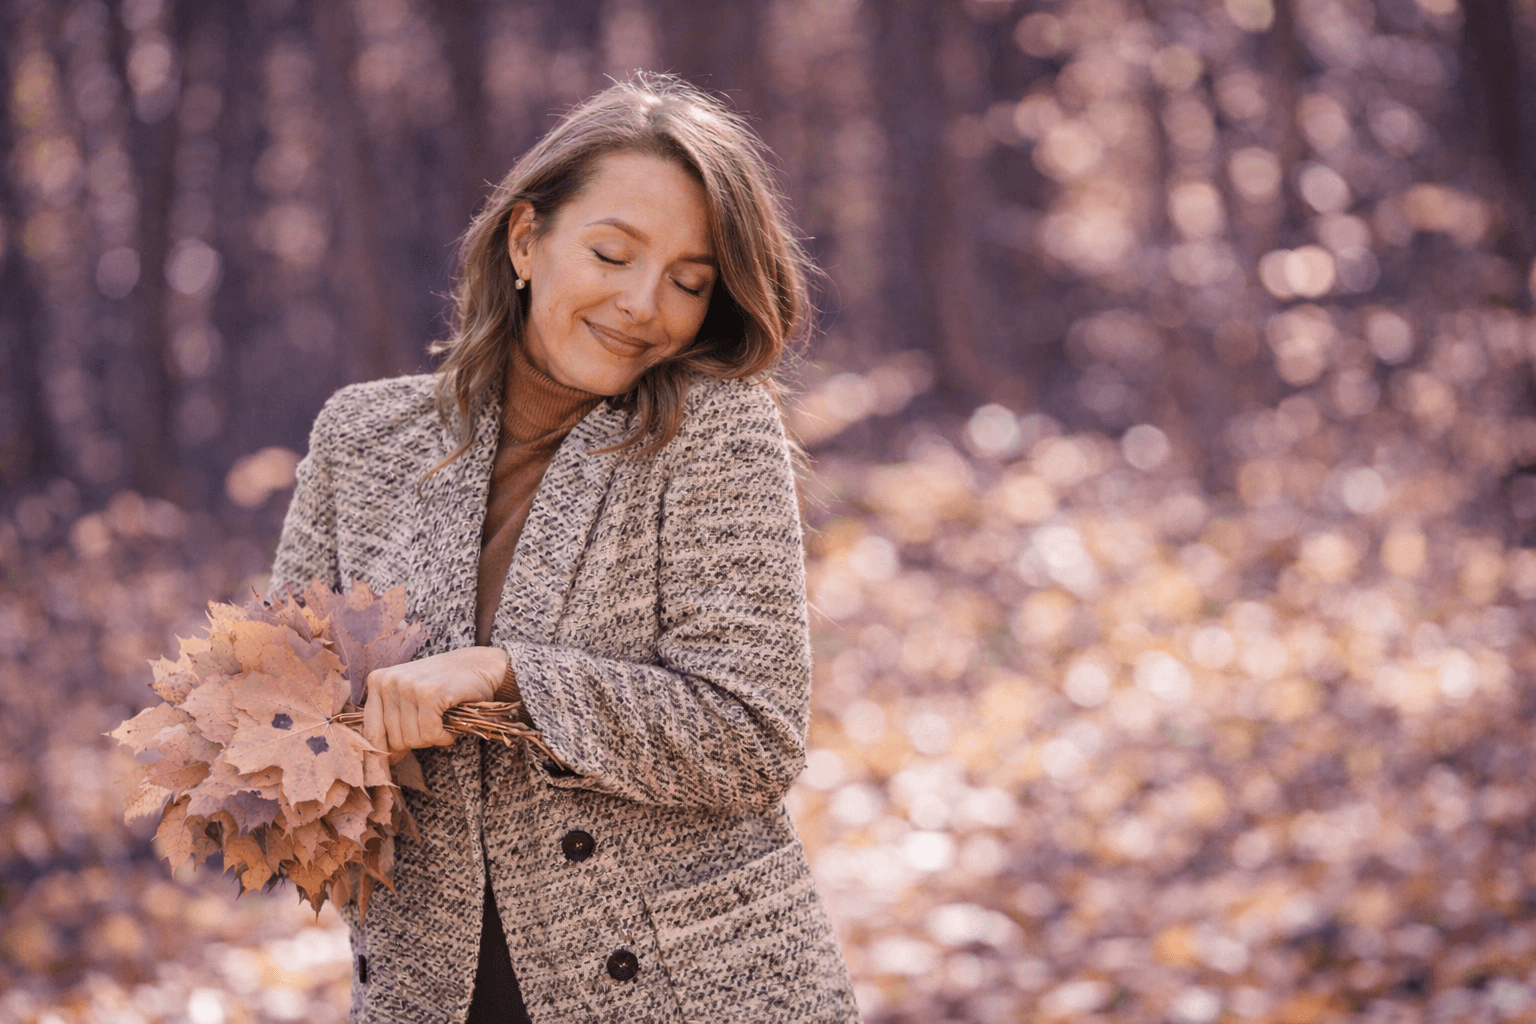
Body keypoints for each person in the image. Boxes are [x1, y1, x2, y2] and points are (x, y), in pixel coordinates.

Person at [267, 72, 861, 1024]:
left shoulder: (714, 430)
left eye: (688, 281)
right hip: (432, 994)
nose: (642, 303)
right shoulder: (362, 439)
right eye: (613, 254)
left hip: (692, 991)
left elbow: (752, 736)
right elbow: (279, 703)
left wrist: (508, 680)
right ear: (526, 239)